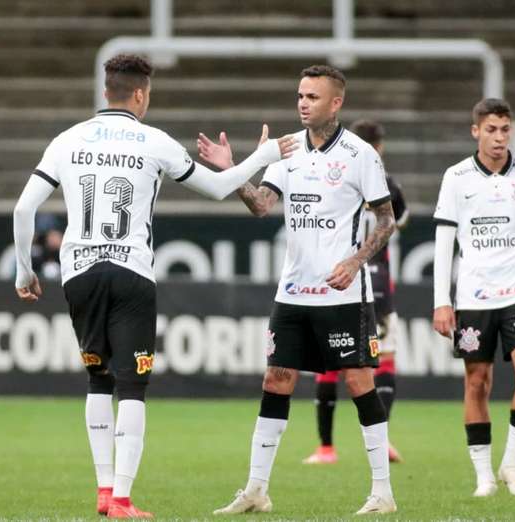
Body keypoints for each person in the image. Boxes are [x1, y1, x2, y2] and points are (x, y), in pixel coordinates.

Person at [12, 54, 297, 519]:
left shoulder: (67, 139)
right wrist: (263, 156)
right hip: (131, 273)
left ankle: (105, 493)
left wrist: (25, 271)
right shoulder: (153, 141)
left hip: (78, 272)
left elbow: (24, 209)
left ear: (107, 91)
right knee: (133, 386)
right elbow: (221, 187)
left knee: (97, 379)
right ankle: (123, 499)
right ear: (141, 94)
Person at [198, 65, 398, 515]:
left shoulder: (360, 154)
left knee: (359, 380)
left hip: (343, 294)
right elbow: (260, 206)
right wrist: (234, 172)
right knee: (276, 379)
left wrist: (354, 261)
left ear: (336, 102)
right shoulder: (285, 150)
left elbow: (386, 219)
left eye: (312, 95)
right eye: (299, 95)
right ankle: (256, 489)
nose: (302, 102)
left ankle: (383, 493)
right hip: (292, 293)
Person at [432, 98, 515, 498]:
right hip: (473, 295)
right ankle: (484, 475)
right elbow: (444, 242)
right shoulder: (456, 177)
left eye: (505, 129)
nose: (499, 137)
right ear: (476, 131)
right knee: (478, 381)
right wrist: (442, 299)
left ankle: (512, 464)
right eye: (491, 129)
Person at [302, 120, 409, 466]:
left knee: (328, 367)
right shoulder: (389, 186)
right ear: (380, 147)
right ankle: (384, 441)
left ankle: (326, 448)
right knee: (385, 361)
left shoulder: (333, 177)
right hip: (378, 285)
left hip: (336, 283)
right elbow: (397, 221)